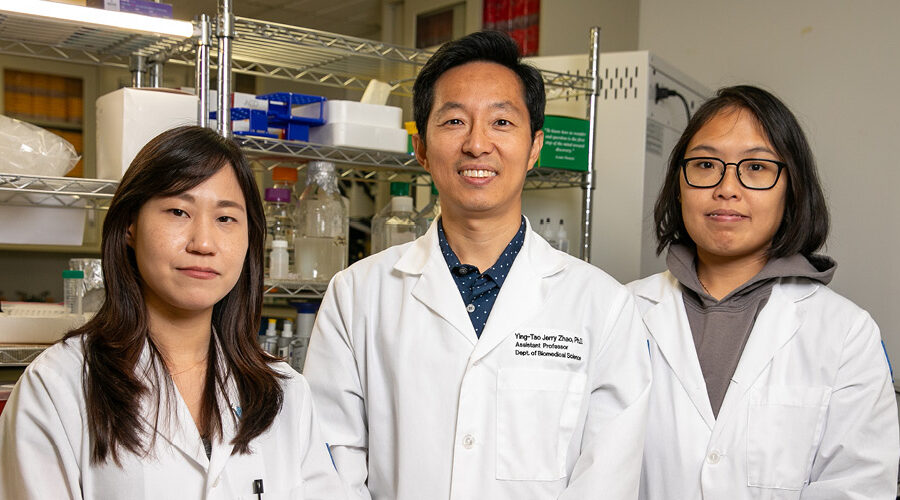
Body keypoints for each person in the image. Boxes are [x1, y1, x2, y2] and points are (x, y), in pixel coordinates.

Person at [303, 31, 651, 500]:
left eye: (502, 122)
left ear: (534, 148)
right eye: (453, 122)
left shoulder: (602, 305)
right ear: (422, 148)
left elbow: (607, 478)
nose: (477, 144)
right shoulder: (357, 295)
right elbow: (330, 463)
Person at [0, 126, 346, 499]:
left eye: (226, 218)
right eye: (178, 211)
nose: (203, 243)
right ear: (130, 225)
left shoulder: (284, 391)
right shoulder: (58, 386)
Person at [629, 85, 900, 499]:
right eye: (705, 164)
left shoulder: (846, 333)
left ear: (792, 189)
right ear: (678, 183)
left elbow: (858, 487)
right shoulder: (621, 311)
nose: (727, 188)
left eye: (755, 168)